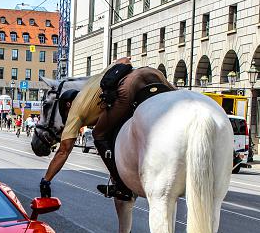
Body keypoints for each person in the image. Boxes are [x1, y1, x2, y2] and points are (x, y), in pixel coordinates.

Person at [40, 57, 175, 201]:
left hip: (128, 87)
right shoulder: (91, 85)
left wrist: (46, 180)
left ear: (68, 105)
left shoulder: (74, 111)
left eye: (65, 114)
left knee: (98, 134)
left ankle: (121, 186)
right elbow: (125, 60)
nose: (67, 119)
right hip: (150, 73)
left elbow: (63, 151)